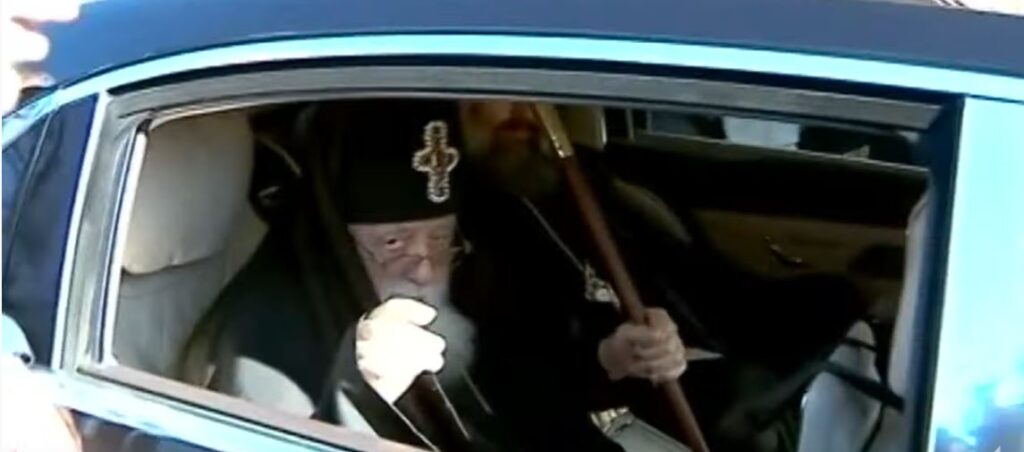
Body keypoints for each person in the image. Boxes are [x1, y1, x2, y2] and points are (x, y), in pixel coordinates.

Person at [191, 100, 690, 451]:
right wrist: (357, 389)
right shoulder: (266, 337)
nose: (426, 268)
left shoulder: (463, 270)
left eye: (438, 238)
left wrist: (609, 358)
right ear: (342, 242)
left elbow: (517, 386)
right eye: (394, 244)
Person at [454, 100, 869, 451]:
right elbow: (515, 364)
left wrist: (688, 338)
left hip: (694, 339)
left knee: (835, 301)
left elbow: (687, 272)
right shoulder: (464, 224)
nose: (524, 110)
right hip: (617, 393)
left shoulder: (584, 176)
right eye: (498, 96)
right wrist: (608, 359)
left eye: (534, 96)